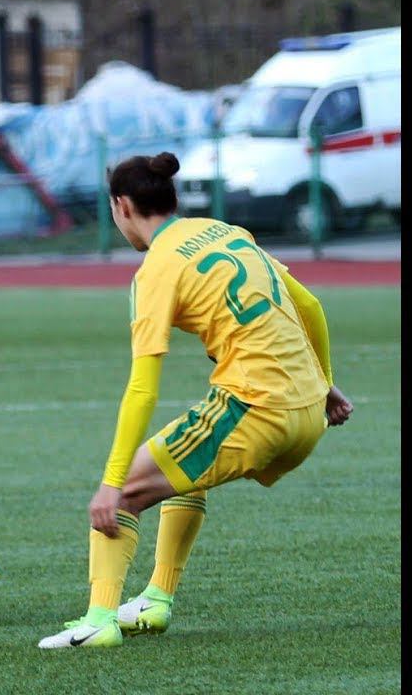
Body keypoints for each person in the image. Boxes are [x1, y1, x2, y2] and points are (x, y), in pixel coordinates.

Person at [37, 152, 354, 649]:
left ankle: (99, 620)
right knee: (181, 468)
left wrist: (111, 482)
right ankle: (155, 601)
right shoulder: (225, 232)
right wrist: (325, 383)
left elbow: (142, 388)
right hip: (308, 414)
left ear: (122, 206)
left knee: (126, 492)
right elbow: (309, 306)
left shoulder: (156, 269)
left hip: (255, 409)